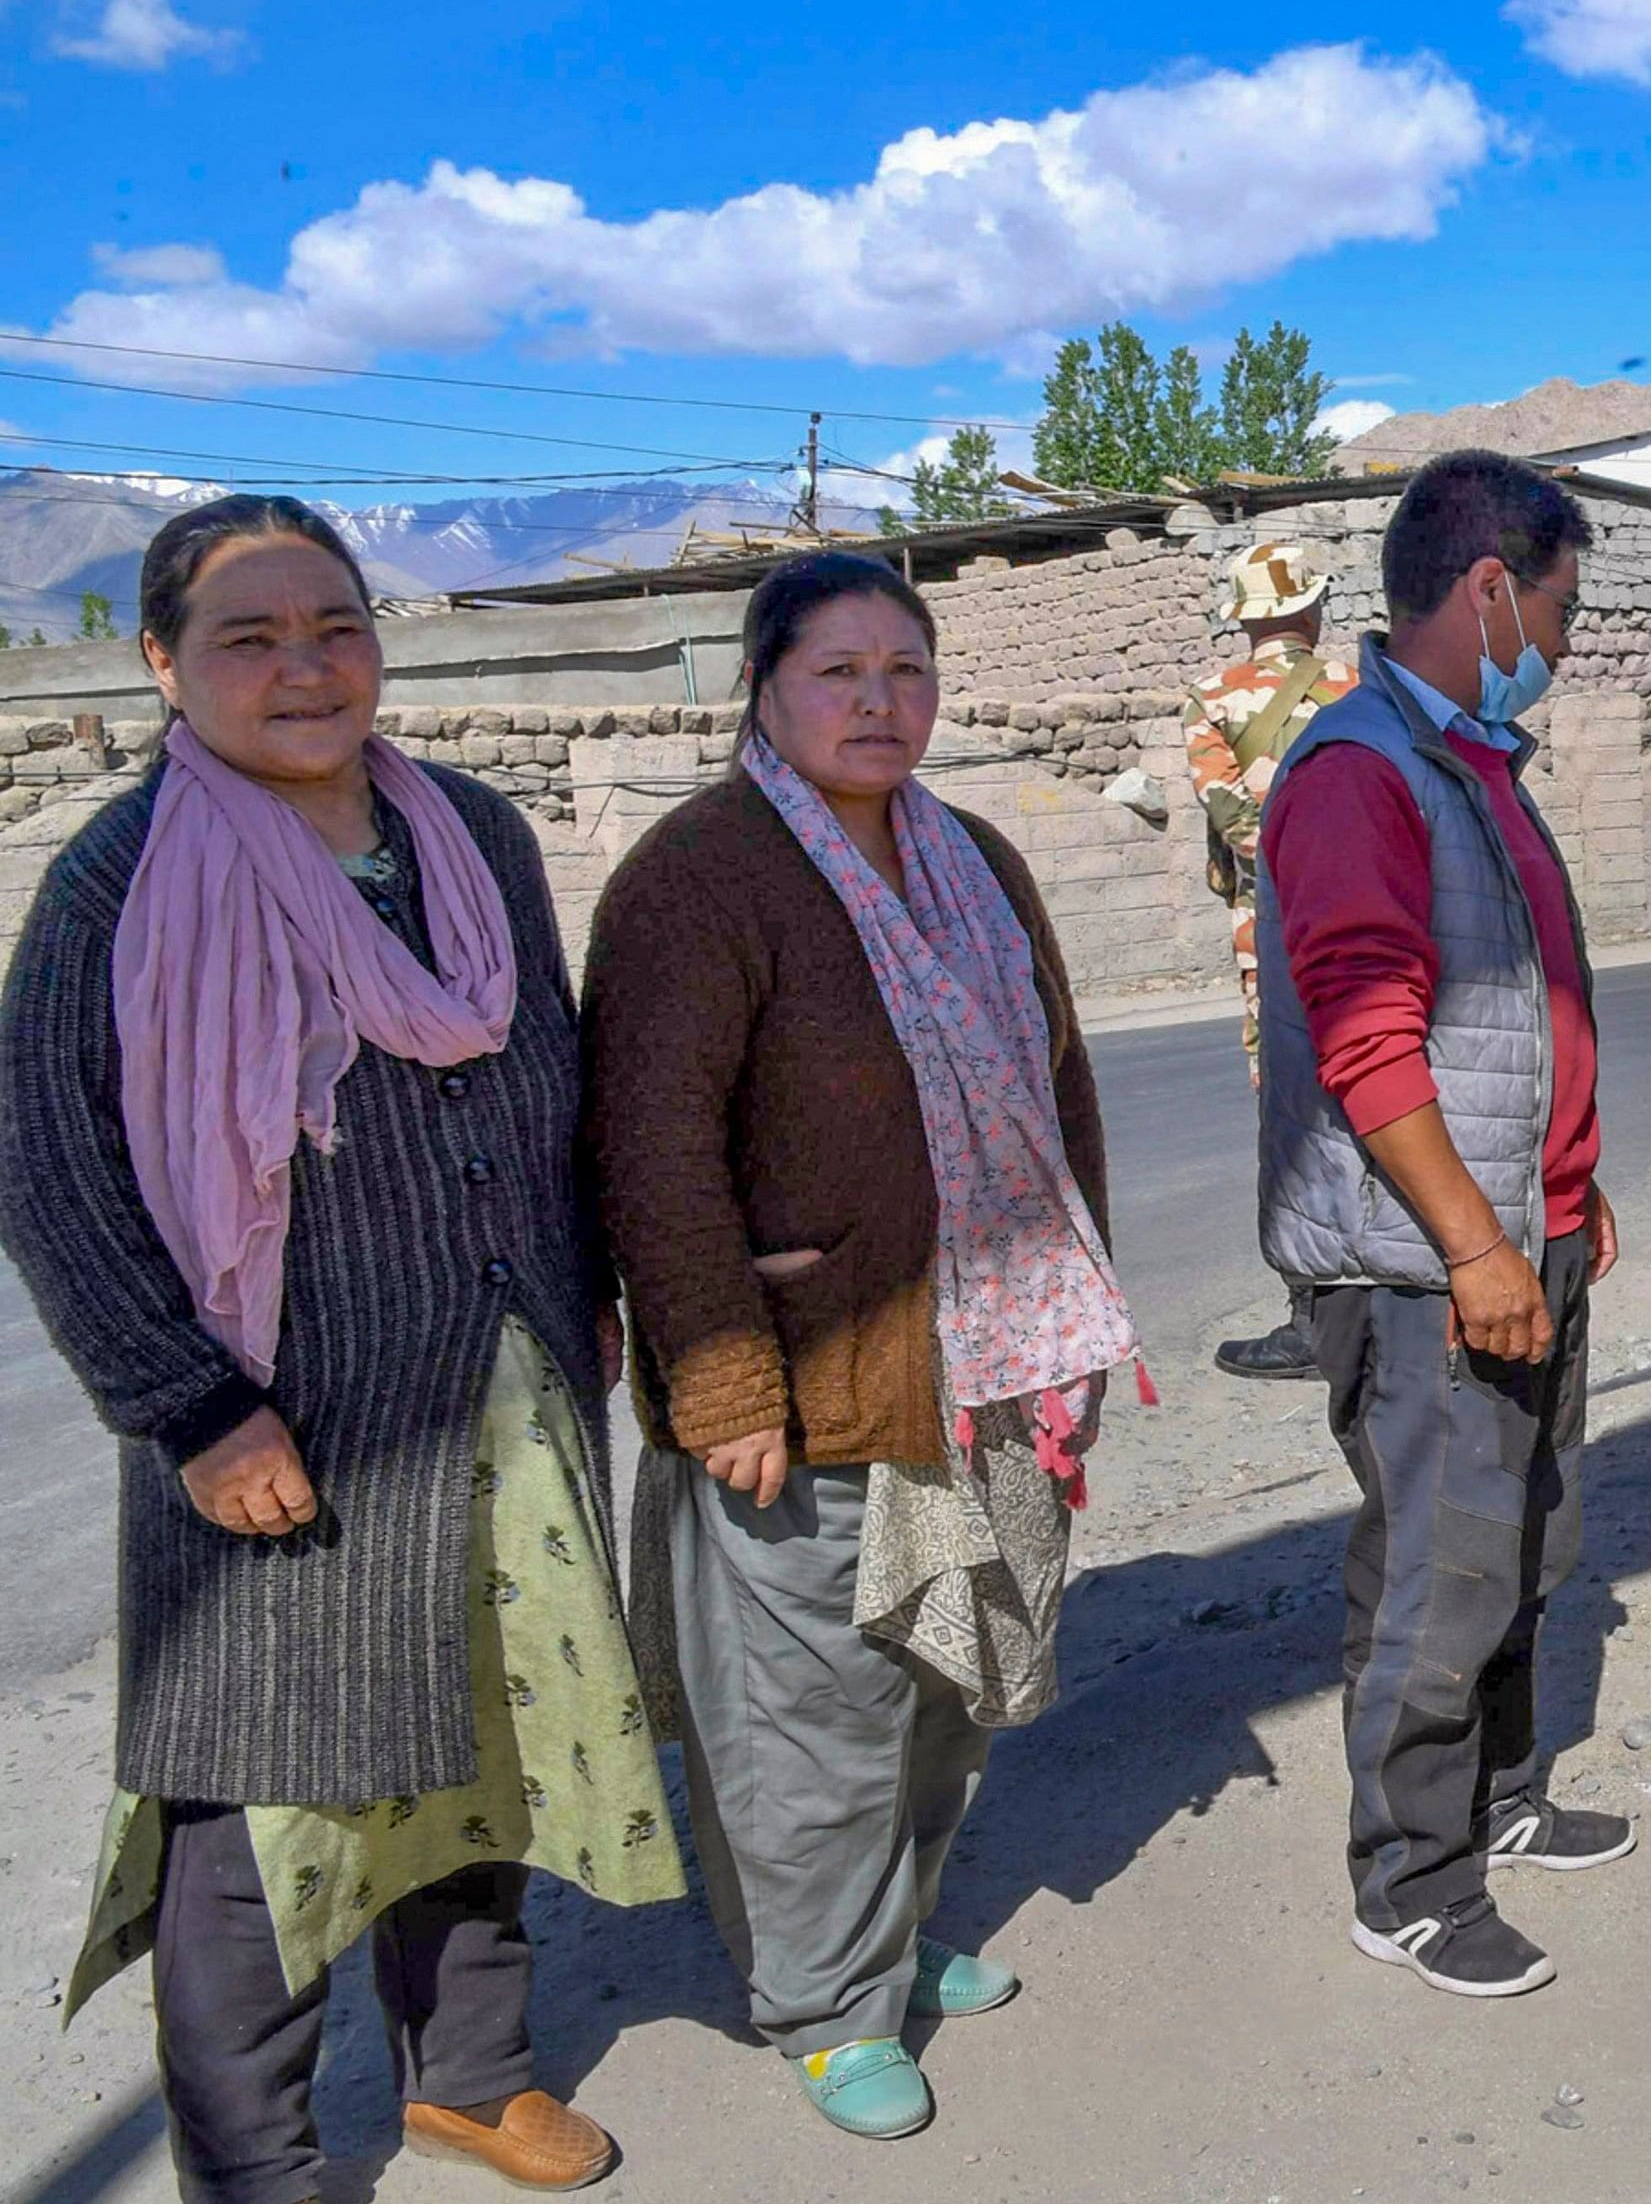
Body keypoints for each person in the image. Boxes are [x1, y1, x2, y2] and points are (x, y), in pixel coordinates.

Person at [1, 496, 675, 2202]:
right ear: (160, 661)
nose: (305, 666)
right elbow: (47, 1164)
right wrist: (193, 1404)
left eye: (337, 625)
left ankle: (469, 2073)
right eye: (250, 635)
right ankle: (258, 2161)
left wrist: (582, 1287)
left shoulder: (471, 832)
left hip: (505, 1365)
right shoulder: (117, 880)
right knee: (254, 1798)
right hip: (281, 1406)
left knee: (481, 1736)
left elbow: (546, 1075)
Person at [585, 552, 1134, 2141]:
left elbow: (1059, 1084)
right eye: (839, 670)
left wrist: (1075, 1304)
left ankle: (883, 1944)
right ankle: (823, 2002)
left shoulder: (973, 857)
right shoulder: (700, 877)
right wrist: (722, 1375)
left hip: (994, 1352)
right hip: (817, 1370)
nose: (880, 700)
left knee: (941, 1686)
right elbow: (653, 1147)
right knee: (811, 1714)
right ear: (761, 687)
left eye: (907, 668)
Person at [1253, 450, 1632, 1999]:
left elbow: (1516, 1019)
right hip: (1426, 1264)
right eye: (1557, 604)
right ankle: (1409, 1878)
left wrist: (1563, 1185)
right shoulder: (1358, 772)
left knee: (1527, 1537)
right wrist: (1477, 1244)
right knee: (1439, 1565)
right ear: (1487, 588)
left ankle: (1500, 1796)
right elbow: (1366, 1038)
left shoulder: (1469, 759)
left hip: (1514, 1231)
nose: (1565, 633)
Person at [1191, 539, 1350, 1384]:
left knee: (1290, 1114)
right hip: (1368, 917)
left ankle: (1312, 1318)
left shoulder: (1211, 699)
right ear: (1310, 609)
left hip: (1275, 933)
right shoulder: (1357, 690)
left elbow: (1232, 823)